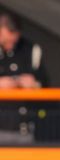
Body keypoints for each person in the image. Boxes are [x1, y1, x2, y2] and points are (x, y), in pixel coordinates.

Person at [0, 11, 48, 144]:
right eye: (7, 38)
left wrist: (33, 83)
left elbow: (44, 82)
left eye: (14, 40)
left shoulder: (29, 49)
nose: (11, 44)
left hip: (24, 127)